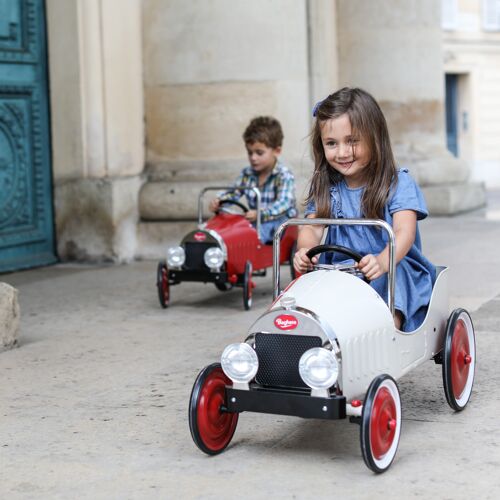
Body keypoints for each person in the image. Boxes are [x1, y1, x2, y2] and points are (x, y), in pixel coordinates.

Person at [294, 87, 436, 332]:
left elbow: (404, 232)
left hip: (391, 263)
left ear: (374, 137)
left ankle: (389, 330)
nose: (342, 152)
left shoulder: (398, 184)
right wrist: (305, 249)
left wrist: (382, 261)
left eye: (352, 141)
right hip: (343, 268)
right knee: (313, 282)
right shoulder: (328, 187)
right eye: (331, 143)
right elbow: (312, 228)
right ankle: (311, 331)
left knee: (395, 274)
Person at [209, 116, 297, 243]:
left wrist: (261, 213)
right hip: (256, 219)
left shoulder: (283, 175)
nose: (253, 158)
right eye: (250, 153)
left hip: (278, 222)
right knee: (232, 227)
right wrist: (220, 201)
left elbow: (284, 203)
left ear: (276, 151)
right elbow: (234, 192)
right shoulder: (247, 174)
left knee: (250, 233)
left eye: (259, 153)